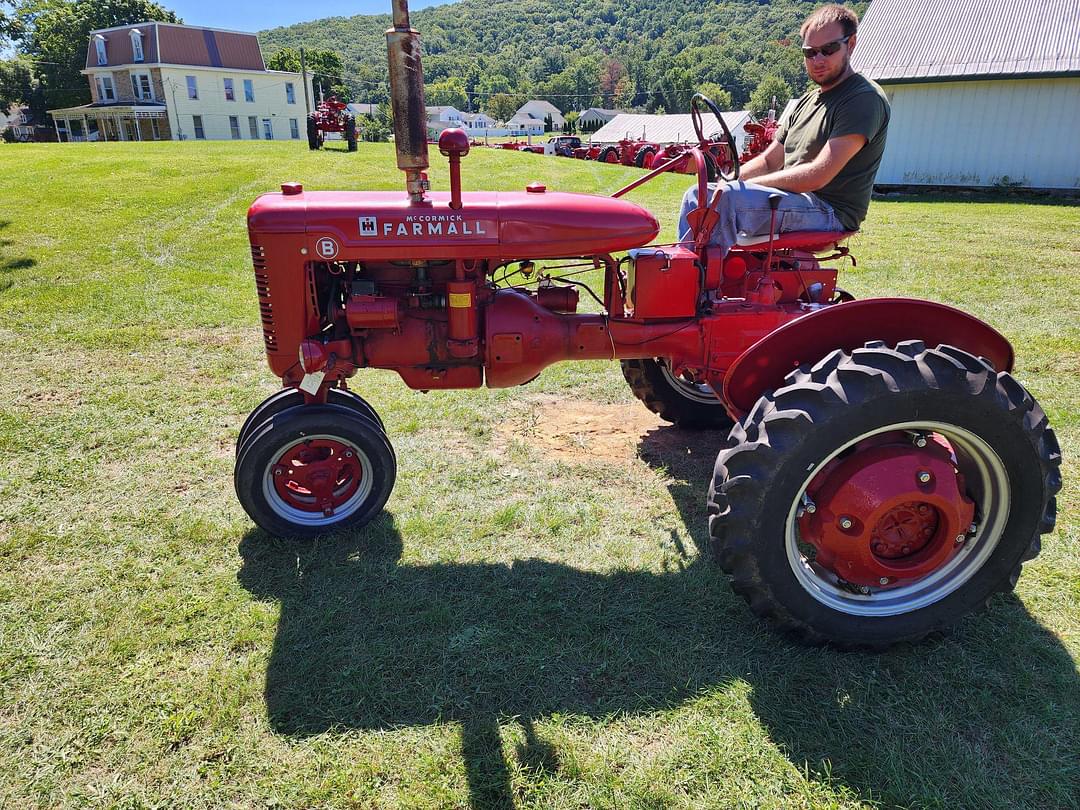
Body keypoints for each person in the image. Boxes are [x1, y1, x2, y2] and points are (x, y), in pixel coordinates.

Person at [677, 4, 890, 253]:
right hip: (797, 201)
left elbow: (818, 175)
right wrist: (729, 180)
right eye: (810, 53)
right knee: (698, 196)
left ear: (851, 44)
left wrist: (741, 188)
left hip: (828, 211)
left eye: (828, 49)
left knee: (726, 200)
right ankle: (687, 272)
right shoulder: (807, 101)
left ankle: (698, 285)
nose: (818, 60)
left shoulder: (862, 98)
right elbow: (768, 161)